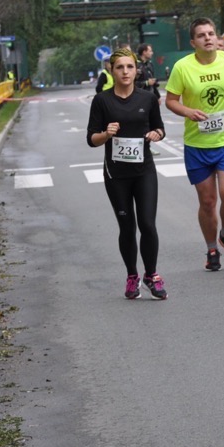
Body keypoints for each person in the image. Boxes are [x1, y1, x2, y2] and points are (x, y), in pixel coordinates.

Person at [164, 18, 224, 271]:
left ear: (217, 38)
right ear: (193, 42)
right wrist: (188, 111)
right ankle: (211, 248)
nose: (207, 38)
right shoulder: (182, 67)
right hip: (197, 144)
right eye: (201, 35)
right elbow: (170, 100)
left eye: (211, 33)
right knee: (207, 202)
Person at [85, 48, 167, 299]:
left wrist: (156, 134)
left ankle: (151, 275)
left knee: (148, 224)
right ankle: (132, 275)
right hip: (116, 174)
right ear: (111, 70)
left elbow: (160, 128)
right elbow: (91, 139)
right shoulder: (102, 101)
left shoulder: (147, 98)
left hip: (144, 171)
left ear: (136, 70)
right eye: (119, 67)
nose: (125, 72)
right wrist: (106, 134)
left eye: (130, 67)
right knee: (127, 227)